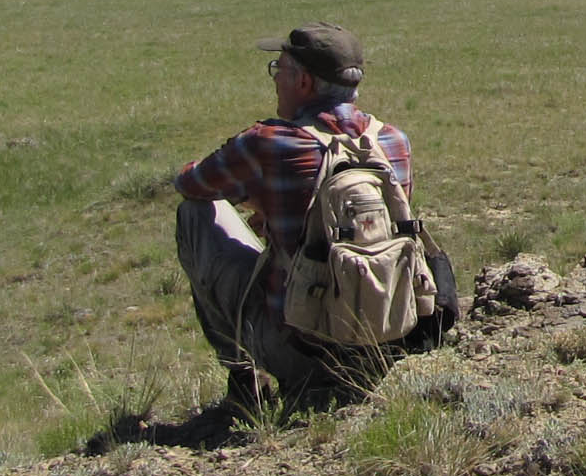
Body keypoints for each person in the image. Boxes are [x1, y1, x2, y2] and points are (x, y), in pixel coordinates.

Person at [174, 22, 413, 406]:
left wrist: (259, 198)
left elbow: (191, 184)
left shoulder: (269, 142)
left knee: (194, 214)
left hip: (299, 352)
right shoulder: (392, 141)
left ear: (302, 82)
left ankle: (244, 379)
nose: (275, 80)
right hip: (385, 339)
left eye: (279, 70)